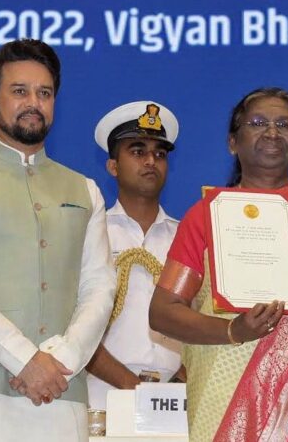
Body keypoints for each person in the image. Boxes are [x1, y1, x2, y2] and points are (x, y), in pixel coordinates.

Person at [149, 87, 288, 441]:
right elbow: (163, 312)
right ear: (232, 142)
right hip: (226, 403)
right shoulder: (206, 218)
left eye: (285, 125)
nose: (273, 132)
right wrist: (232, 331)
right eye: (258, 123)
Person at [0, 39, 115, 441]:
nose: (34, 102)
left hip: (60, 396)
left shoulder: (86, 190)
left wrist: (61, 360)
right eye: (19, 91)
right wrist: (24, 359)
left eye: (44, 93)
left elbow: (100, 287)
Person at [86, 101, 184, 410]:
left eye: (160, 154)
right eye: (138, 151)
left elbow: (201, 322)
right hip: (102, 396)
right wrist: (136, 389)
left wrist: (177, 387)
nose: (151, 161)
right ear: (113, 166)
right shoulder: (91, 233)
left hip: (176, 400)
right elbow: (72, 323)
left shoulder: (187, 238)